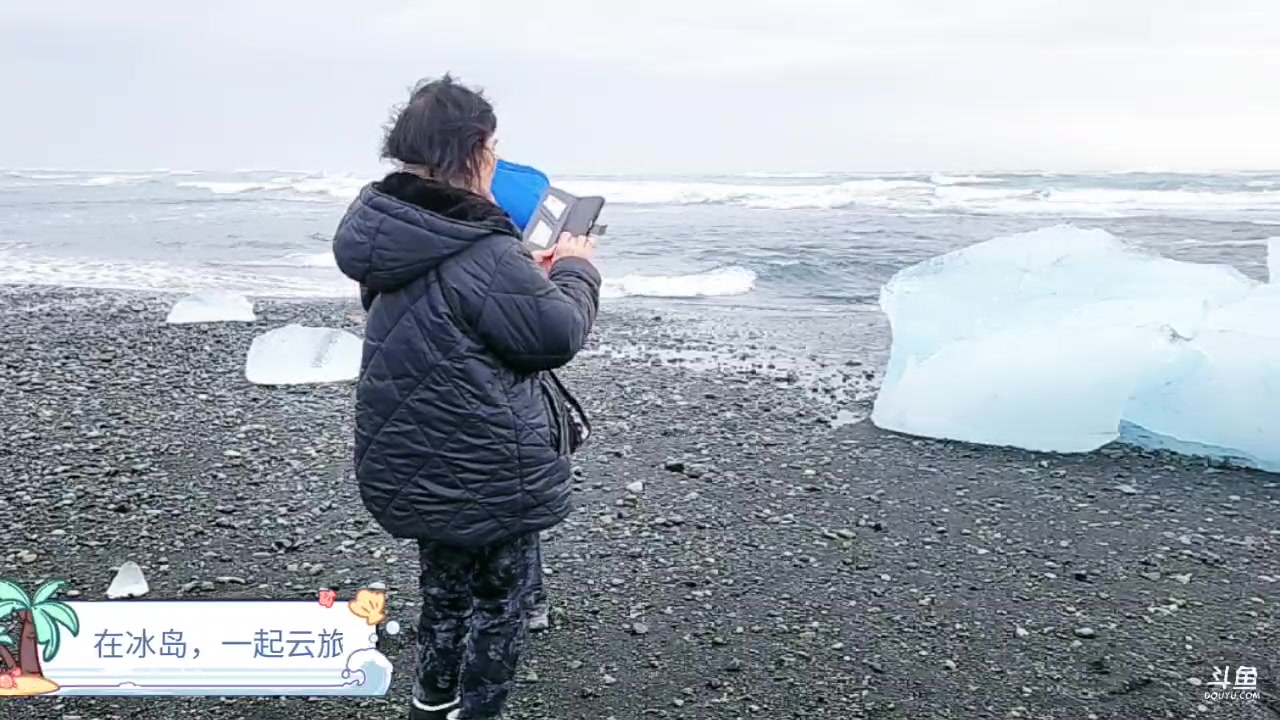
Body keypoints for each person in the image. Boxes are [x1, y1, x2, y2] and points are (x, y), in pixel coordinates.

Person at [331, 74, 601, 720]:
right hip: (486, 467)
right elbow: (555, 333)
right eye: (493, 146)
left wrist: (522, 281)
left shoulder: (395, 232)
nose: (498, 159)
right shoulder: (483, 246)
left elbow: (457, 316)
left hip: (417, 459)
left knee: (443, 595)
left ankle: (430, 701)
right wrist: (576, 267)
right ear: (469, 152)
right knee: (499, 606)